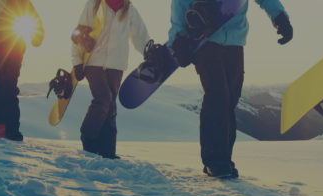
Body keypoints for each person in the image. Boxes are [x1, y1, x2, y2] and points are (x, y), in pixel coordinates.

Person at [169, 0, 293, 178]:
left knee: (230, 101)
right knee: (217, 97)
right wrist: (178, 39)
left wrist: (280, 17)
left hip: (235, 42)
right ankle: (214, 161)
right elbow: (180, 2)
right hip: (205, 41)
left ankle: (224, 159)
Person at [71, 0, 152, 159]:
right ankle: (88, 136)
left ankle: (108, 150)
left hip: (116, 65)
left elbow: (140, 35)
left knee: (110, 106)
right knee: (103, 99)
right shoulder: (94, 5)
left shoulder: (128, 9)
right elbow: (78, 32)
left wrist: (149, 51)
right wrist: (77, 62)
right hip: (93, 61)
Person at [0, 0, 45, 141]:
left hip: (12, 50)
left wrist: (38, 35)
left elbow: (33, 17)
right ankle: (2, 126)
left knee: (5, 87)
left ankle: (9, 128)